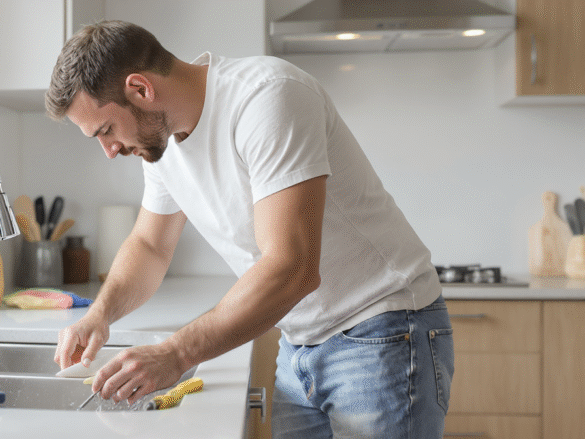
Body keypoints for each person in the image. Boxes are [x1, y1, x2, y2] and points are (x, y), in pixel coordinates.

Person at [46, 20, 454, 438]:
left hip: (382, 329)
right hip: (299, 341)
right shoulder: (161, 143)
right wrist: (99, 316)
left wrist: (175, 354)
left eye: (106, 130)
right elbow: (150, 245)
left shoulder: (266, 97)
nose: (109, 150)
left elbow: (292, 268)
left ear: (141, 89)